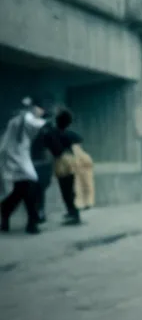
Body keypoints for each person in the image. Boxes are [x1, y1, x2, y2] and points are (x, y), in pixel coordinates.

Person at [0, 97, 48, 234]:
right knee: (30, 190)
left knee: (18, 193)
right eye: (40, 108)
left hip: (13, 160)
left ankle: (6, 218)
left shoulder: (16, 120)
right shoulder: (26, 118)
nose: (41, 111)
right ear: (33, 107)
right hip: (19, 161)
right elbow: (37, 124)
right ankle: (32, 223)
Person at [43, 109, 82, 225]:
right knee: (70, 188)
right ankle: (72, 212)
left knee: (66, 189)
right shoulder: (68, 133)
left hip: (61, 162)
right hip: (71, 160)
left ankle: (73, 214)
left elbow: (49, 145)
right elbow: (79, 139)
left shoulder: (53, 132)